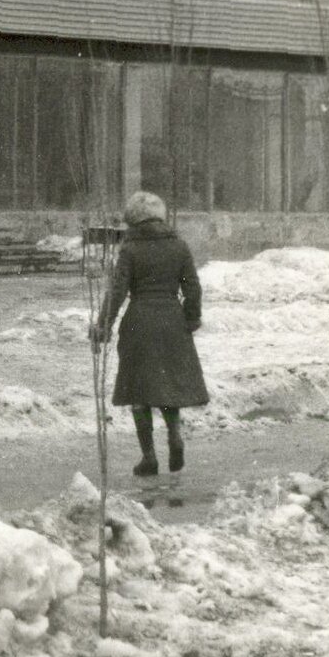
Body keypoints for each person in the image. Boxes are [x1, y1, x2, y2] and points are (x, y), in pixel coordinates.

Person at [89, 190, 208, 477]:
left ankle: (149, 457)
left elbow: (117, 291)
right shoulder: (179, 246)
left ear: (133, 219)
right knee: (167, 386)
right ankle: (175, 436)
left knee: (140, 391)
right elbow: (193, 288)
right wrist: (191, 320)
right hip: (172, 321)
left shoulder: (130, 249)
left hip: (139, 321)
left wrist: (104, 325)